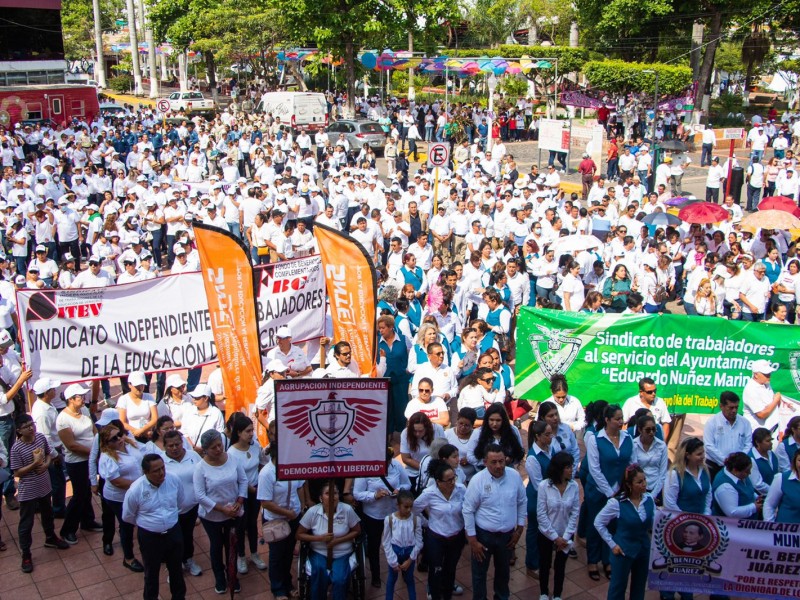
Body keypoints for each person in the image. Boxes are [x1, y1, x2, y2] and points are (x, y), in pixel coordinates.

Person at [462, 443, 527, 600]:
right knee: (479, 574)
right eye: (494, 462)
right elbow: (468, 510)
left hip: (507, 536)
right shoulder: (477, 481)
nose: (499, 466)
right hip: (484, 536)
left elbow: (522, 501)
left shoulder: (514, 476)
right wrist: (472, 540)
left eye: (501, 461)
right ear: (485, 462)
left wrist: (519, 529)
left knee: (503, 572)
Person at [9, 414, 70, 573]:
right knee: (26, 523)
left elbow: (49, 454)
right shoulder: (16, 448)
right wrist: (35, 464)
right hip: (28, 490)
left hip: (44, 485)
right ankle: (26, 554)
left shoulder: (41, 438)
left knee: (48, 513)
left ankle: (50, 538)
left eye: (32, 424)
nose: (31, 428)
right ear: (19, 431)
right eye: (27, 426)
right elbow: (17, 473)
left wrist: (46, 464)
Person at [122, 453, 187, 600]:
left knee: (176, 571)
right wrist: (149, 525)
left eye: (162, 468)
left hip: (173, 533)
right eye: (156, 470)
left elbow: (180, 502)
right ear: (145, 472)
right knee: (151, 574)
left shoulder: (173, 480)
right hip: (150, 538)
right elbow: (128, 516)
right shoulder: (136, 489)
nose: (161, 473)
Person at [193, 429, 247, 594]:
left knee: (231, 545)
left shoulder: (232, 459)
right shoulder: (200, 468)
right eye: (213, 447)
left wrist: (239, 500)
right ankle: (219, 578)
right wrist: (222, 509)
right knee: (216, 546)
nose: (218, 449)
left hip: (233, 512)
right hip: (213, 516)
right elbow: (200, 496)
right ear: (205, 450)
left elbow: (243, 480)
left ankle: (232, 576)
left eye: (219, 445)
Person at [584, 404, 633, 581]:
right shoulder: (596, 439)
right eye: (617, 419)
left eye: (622, 418)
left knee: (613, 526)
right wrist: (609, 492)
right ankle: (592, 560)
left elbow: (631, 464)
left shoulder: (627, 438)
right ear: (607, 420)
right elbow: (595, 469)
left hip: (619, 491)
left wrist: (623, 488)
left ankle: (608, 559)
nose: (621, 422)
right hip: (598, 491)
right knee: (595, 525)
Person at [257, 425, 306, 600]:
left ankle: (288, 583)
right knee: (277, 555)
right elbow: (266, 502)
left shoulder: (293, 467)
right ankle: (278, 589)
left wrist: (301, 507)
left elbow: (300, 487)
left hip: (293, 517)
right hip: (276, 520)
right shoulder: (267, 474)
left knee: (288, 554)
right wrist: (286, 512)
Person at [594, 465, 654, 600]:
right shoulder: (616, 503)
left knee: (639, 587)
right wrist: (612, 544)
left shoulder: (649, 499)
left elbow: (655, 521)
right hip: (623, 551)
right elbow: (598, 522)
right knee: (618, 588)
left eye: (644, 480)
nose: (644, 484)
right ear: (629, 484)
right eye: (639, 482)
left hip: (643, 549)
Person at [354, 447, 411, 588]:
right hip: (374, 516)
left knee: (400, 543)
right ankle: (376, 576)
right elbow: (357, 493)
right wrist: (374, 496)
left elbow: (407, 484)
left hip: (393, 513)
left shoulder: (396, 466)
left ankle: (403, 569)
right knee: (374, 546)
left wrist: (400, 490)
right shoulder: (365, 469)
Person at [297, 482, 362, 600]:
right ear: (321, 498)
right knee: (319, 575)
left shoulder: (347, 510)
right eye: (328, 493)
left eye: (335, 493)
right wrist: (320, 538)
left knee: (340, 579)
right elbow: (299, 534)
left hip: (342, 553)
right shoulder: (312, 512)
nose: (332, 496)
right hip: (319, 552)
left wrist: (337, 540)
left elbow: (357, 531)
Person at [414, 459, 467, 600]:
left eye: (453, 478)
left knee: (450, 570)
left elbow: (468, 509)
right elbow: (414, 510)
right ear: (438, 481)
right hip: (436, 538)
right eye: (448, 480)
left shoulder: (461, 489)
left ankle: (448, 595)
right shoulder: (429, 493)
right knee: (436, 570)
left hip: (456, 537)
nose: (452, 482)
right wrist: (427, 522)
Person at [56, 383, 102, 544]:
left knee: (87, 492)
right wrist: (93, 453)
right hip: (76, 463)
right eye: (80, 397)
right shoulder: (63, 419)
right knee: (79, 495)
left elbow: (93, 430)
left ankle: (87, 521)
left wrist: (97, 447)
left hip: (89, 459)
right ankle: (68, 529)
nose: (83, 400)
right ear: (70, 399)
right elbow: (71, 445)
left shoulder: (84, 411)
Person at [98, 422, 145, 572]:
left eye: (120, 434)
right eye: (114, 438)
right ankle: (129, 558)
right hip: (119, 497)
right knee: (127, 525)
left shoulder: (130, 444)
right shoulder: (107, 457)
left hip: (138, 492)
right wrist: (140, 485)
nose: (119, 439)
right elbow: (116, 481)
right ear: (106, 443)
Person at [227, 413, 267, 573]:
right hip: (242, 494)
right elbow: (236, 477)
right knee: (240, 525)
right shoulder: (231, 452)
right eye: (248, 431)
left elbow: (263, 464)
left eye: (252, 430)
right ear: (238, 433)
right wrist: (251, 489)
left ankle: (255, 553)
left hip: (256, 491)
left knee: (252, 523)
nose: (251, 434)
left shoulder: (255, 446)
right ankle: (241, 556)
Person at [537, 451, 579, 600]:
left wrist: (566, 536)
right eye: (568, 467)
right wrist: (554, 537)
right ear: (560, 468)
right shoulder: (544, 486)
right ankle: (543, 592)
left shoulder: (573, 486)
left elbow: (574, 513)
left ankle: (557, 594)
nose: (571, 469)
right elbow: (541, 514)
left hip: (565, 533)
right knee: (545, 563)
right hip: (546, 533)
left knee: (560, 566)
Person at [162, 429, 203, 576]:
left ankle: (188, 560)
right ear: (164, 446)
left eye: (177, 444)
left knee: (187, 535)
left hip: (191, 507)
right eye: (170, 445)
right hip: (171, 509)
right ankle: (173, 566)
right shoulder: (161, 461)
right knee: (172, 539)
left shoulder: (193, 456)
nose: (174, 448)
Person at [524, 420, 554, 577]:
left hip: (551, 496)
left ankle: (543, 559)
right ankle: (532, 564)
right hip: (538, 499)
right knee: (534, 530)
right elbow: (538, 485)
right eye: (547, 435)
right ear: (538, 436)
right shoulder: (532, 458)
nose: (551, 437)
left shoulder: (550, 449)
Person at [381, 489, 423, 600]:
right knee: (391, 580)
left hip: (410, 553)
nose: (409, 510)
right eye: (406, 507)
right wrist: (392, 561)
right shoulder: (389, 520)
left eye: (411, 507)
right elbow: (386, 541)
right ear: (398, 505)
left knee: (409, 579)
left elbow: (419, 541)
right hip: (395, 551)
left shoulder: (416, 520)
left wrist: (411, 560)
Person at [704, 391, 752, 481]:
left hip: (738, 469)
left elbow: (748, 444)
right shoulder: (712, 423)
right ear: (721, 406)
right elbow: (708, 446)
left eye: (736, 407)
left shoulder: (745, 423)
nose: (734, 410)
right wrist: (726, 461)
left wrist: (738, 462)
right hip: (715, 467)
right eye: (731, 408)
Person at [400, 412, 445, 490]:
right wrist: (426, 469)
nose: (417, 434)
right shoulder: (405, 433)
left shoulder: (438, 429)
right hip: (414, 473)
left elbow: (444, 450)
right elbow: (406, 458)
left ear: (427, 428)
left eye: (420, 431)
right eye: (414, 431)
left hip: (436, 472)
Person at [471, 403, 525, 469]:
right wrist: (488, 462)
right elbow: (470, 456)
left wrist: (511, 459)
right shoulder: (478, 433)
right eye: (491, 420)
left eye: (498, 420)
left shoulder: (513, 430)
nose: (494, 424)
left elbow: (519, 452)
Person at [712, 451, 761, 520]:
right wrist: (754, 507)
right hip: (731, 527)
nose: (749, 473)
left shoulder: (741, 474)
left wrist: (756, 497)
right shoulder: (725, 486)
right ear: (735, 470)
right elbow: (732, 512)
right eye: (747, 471)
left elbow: (748, 489)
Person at [631, 414, 668, 500]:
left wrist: (653, 495)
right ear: (640, 430)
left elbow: (663, 473)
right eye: (648, 430)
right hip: (638, 488)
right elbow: (634, 469)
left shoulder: (661, 445)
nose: (651, 432)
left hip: (657, 487)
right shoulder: (633, 444)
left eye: (654, 429)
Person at [742, 359, 782, 439]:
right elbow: (761, 414)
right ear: (756, 375)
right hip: (755, 435)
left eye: (769, 373)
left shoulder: (766, 384)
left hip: (769, 431)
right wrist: (776, 400)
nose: (769, 376)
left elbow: (772, 405)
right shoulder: (751, 389)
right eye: (765, 374)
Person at [622, 377, 671, 441]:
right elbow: (623, 424)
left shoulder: (660, 402)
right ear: (641, 392)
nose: (653, 394)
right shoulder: (631, 402)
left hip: (654, 442)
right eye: (650, 392)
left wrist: (662, 442)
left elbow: (666, 423)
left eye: (655, 391)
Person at [182, 383, 225, 452]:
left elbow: (220, 435)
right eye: (193, 397)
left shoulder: (216, 413)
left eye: (197, 398)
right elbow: (184, 432)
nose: (194, 400)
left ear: (206, 398)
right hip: (190, 451)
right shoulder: (189, 410)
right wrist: (193, 447)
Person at [117, 370, 158, 442]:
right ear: (130, 385)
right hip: (131, 436)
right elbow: (122, 422)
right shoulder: (123, 399)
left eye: (142, 385)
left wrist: (143, 430)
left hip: (148, 434)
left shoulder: (149, 397)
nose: (140, 388)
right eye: (137, 386)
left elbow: (155, 418)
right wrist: (136, 431)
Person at [764, 448, 800, 522]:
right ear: (794, 461)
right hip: (785, 531)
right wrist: (770, 526)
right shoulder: (781, 478)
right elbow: (769, 505)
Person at [749, 427, 779, 496]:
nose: (771, 443)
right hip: (761, 498)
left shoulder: (771, 454)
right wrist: (775, 492)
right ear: (757, 442)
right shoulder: (751, 459)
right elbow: (757, 484)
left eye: (771, 440)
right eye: (767, 441)